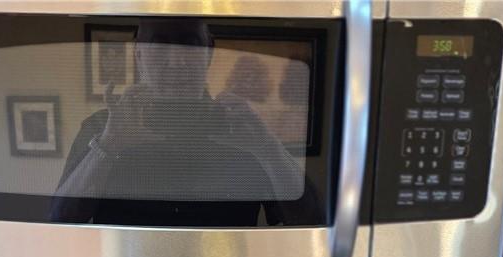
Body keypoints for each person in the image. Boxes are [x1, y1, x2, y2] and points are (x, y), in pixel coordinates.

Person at [50, 20, 316, 226]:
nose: (176, 63)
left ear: (209, 52)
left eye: (190, 45)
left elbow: (311, 220)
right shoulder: (103, 128)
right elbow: (60, 220)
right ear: (139, 53)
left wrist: (267, 150)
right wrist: (108, 146)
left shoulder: (242, 128)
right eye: (160, 46)